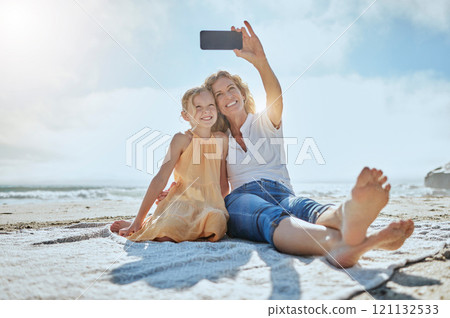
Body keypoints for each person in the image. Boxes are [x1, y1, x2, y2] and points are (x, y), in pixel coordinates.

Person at [157, 21, 414, 268]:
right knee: (268, 216)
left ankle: (348, 217)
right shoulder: (218, 140)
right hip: (242, 198)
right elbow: (208, 179)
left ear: (243, 93)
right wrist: (180, 194)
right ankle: (340, 242)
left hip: (283, 192)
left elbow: (275, 96)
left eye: (231, 88)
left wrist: (260, 61)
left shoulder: (265, 121)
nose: (228, 96)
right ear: (216, 106)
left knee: (304, 207)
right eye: (219, 94)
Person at [110, 87, 229, 242]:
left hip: (210, 206)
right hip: (183, 202)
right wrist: (138, 219)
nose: (206, 111)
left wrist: (217, 202)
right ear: (185, 115)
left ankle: (162, 224)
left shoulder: (222, 140)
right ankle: (144, 223)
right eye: (198, 107)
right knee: (168, 233)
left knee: (217, 223)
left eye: (210, 105)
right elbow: (160, 178)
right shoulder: (181, 140)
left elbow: (223, 183)